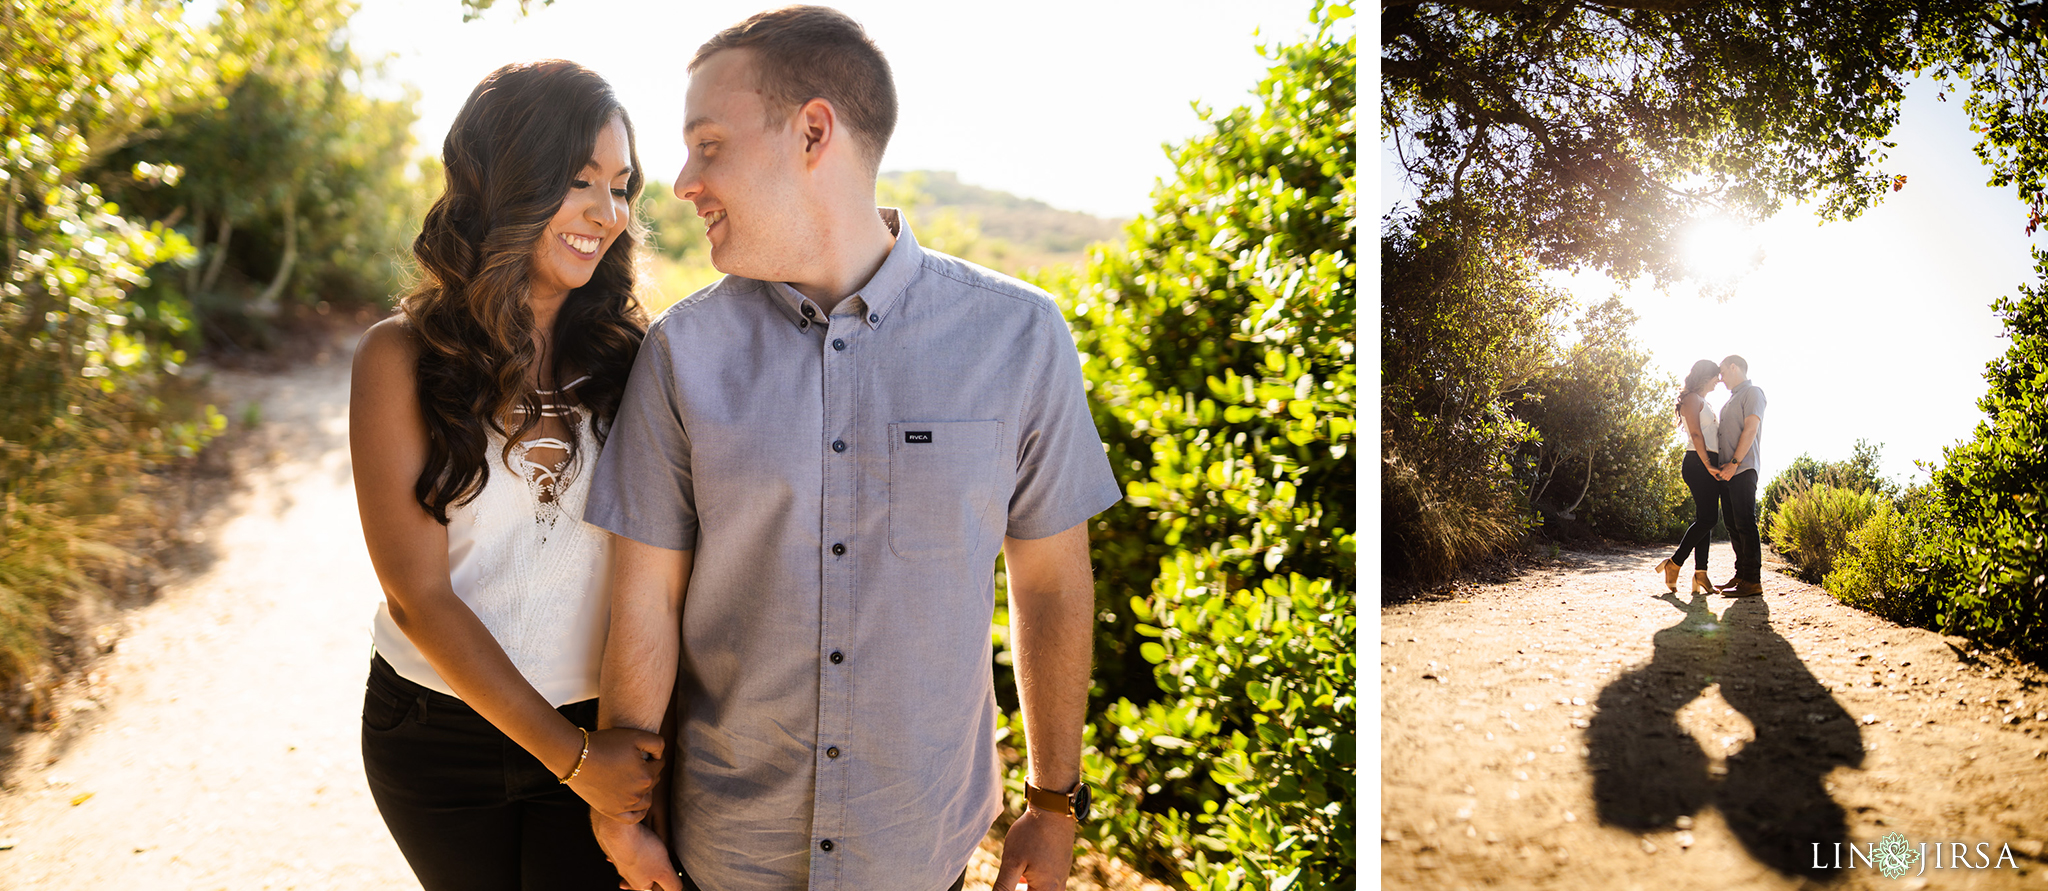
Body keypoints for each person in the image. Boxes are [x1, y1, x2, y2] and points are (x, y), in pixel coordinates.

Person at [582, 8, 1124, 891]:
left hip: (921, 850)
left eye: (708, 144)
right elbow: (645, 597)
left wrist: (1053, 802)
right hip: (725, 853)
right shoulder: (683, 353)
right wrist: (621, 816)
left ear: (812, 132)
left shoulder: (1019, 336)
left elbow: (1053, 582)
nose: (682, 182)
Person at [349, 59, 666, 890]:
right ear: (505, 182)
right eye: (577, 181)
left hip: (606, 727)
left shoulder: (640, 358)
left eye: (622, 186)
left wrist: (607, 755)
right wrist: (576, 761)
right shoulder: (400, 357)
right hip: (437, 731)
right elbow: (418, 596)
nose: (608, 214)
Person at [1656, 359, 1724, 595]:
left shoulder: (1704, 402)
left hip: (1709, 462)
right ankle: (1674, 563)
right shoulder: (1691, 399)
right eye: (1717, 375)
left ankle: (1701, 574)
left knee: (1705, 518)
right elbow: (1695, 433)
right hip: (1698, 462)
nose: (1719, 380)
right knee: (1708, 519)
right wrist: (1708, 464)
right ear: (1706, 376)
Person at [1710, 354, 1768, 597]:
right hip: (1727, 472)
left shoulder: (1753, 392)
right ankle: (1741, 575)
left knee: (1745, 523)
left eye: (1722, 372)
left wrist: (1734, 463)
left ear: (1734, 367)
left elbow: (1751, 428)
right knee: (1733, 525)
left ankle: (1753, 581)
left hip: (1742, 469)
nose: (1720, 378)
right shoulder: (1731, 400)